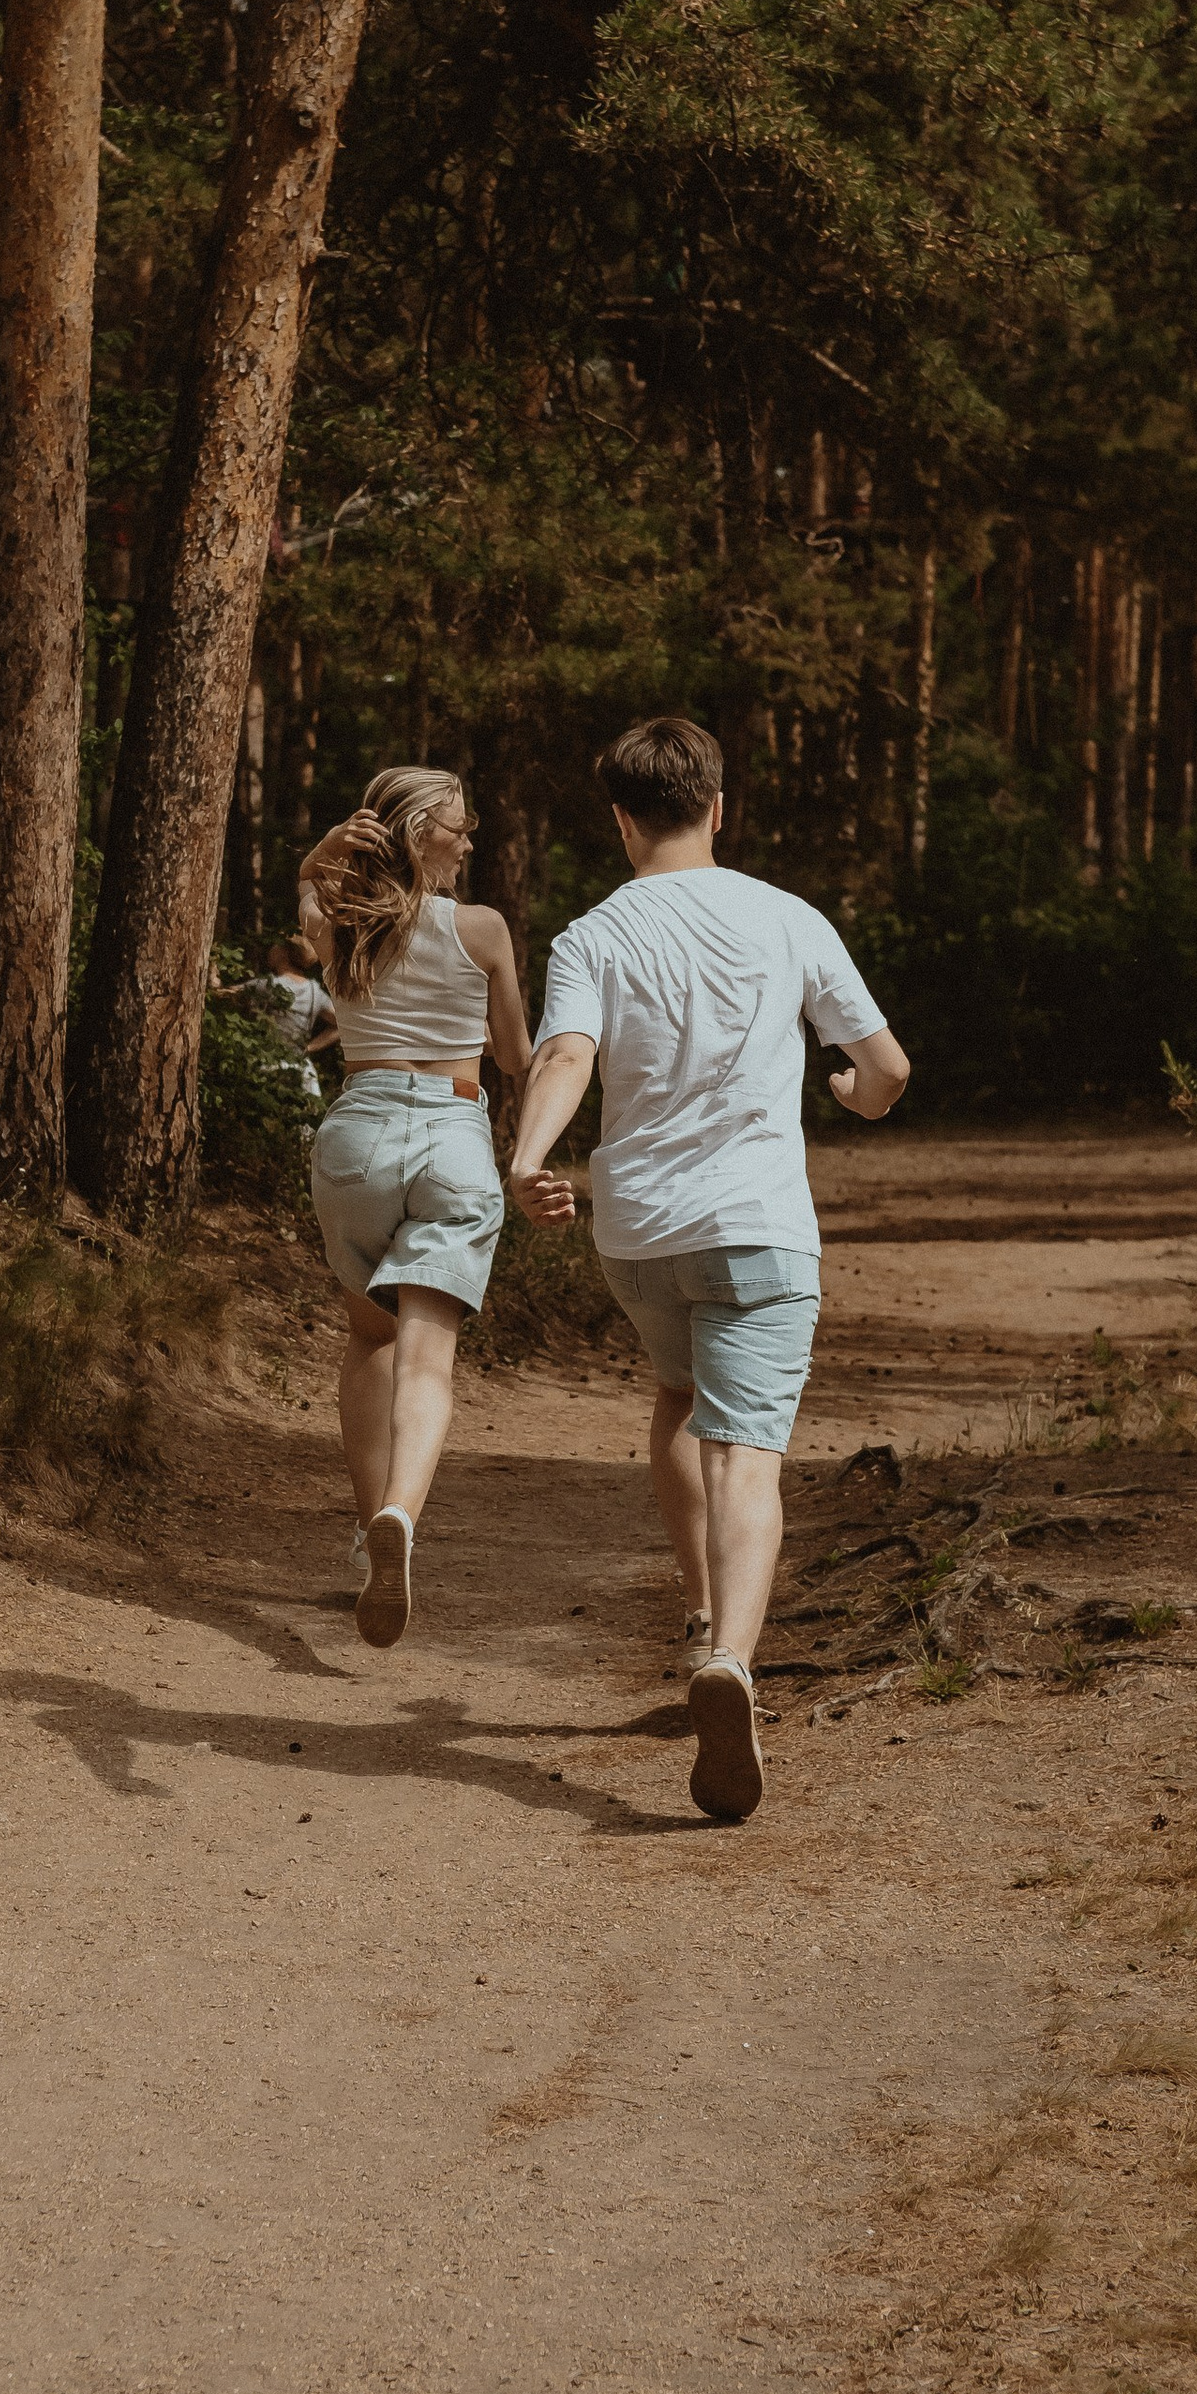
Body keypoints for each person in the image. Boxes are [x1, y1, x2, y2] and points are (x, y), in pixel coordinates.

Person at [505, 715, 911, 1823]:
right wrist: (848, 1096)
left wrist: (529, 1157)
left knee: (679, 1397)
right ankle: (730, 1657)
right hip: (758, 1229)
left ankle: (696, 1614)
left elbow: (565, 1054)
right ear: (718, 808)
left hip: (636, 1236)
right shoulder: (788, 919)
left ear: (624, 821)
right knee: (747, 1455)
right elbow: (883, 1069)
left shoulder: (593, 933)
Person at [297, 767, 532, 1649]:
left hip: (355, 1134)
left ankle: (368, 1536)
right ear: (421, 831)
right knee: (427, 1357)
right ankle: (403, 1509)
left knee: (369, 1338)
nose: (469, 844)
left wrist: (325, 849)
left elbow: (309, 889)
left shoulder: (339, 925)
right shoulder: (482, 929)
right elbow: (514, 1057)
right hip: (449, 1136)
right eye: (459, 830)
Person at [210, 931, 339, 1099]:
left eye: (276, 946)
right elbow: (341, 1025)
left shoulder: (270, 985)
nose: (271, 949)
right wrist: (308, 1048)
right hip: (301, 1069)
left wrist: (212, 972)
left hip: (269, 1065)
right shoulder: (315, 991)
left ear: (284, 953)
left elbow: (222, 994)